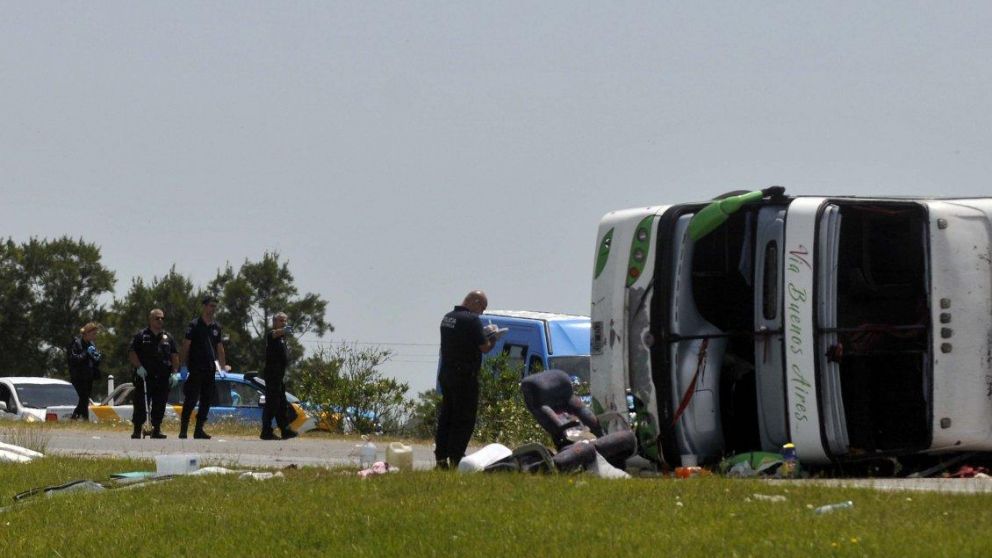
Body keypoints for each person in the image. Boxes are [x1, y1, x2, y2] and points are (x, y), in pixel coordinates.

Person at [434, 290, 504, 469]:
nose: (481, 313)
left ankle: (441, 457)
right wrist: (494, 338)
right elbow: (485, 348)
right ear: (474, 301)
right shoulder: (472, 321)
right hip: (465, 377)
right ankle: (456, 457)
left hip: (447, 374)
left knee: (447, 416)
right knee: (464, 419)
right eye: (482, 307)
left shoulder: (447, 318)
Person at [179, 296, 226, 439]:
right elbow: (186, 345)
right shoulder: (194, 325)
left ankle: (199, 429)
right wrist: (183, 365)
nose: (213, 309)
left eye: (215, 307)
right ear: (204, 306)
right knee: (191, 399)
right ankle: (183, 430)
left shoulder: (216, 327)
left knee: (207, 400)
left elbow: (219, 347)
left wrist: (222, 367)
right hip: (196, 368)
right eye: (211, 306)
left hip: (210, 369)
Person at [128, 309, 180, 439]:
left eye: (162, 318)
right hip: (145, 376)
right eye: (157, 318)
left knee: (160, 404)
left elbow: (174, 355)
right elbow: (132, 353)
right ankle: (137, 429)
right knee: (140, 403)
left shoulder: (167, 337)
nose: (160, 320)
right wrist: (139, 367)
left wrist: (175, 372)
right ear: (150, 320)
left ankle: (156, 429)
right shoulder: (141, 336)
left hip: (162, 377)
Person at [260, 312, 298, 440]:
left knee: (282, 404)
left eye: (285, 321)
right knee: (271, 403)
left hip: (279, 376)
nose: (284, 323)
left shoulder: (282, 339)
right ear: (275, 322)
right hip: (272, 375)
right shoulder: (272, 335)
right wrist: (284, 330)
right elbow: (276, 333)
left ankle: (285, 430)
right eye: (281, 321)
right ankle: (266, 431)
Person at [67, 322, 102, 420]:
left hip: (89, 376)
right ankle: (82, 418)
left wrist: (97, 358)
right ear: (87, 333)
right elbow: (74, 359)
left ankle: (76, 417)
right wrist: (86, 353)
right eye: (93, 333)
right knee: (84, 398)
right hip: (78, 376)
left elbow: (94, 362)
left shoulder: (91, 344)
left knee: (85, 399)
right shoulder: (76, 343)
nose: (95, 336)